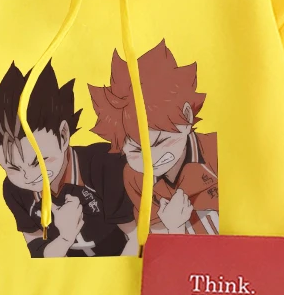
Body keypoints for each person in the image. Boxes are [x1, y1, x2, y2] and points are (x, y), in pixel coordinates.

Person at [0, 59, 138, 257]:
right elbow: (38, 253)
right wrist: (65, 238)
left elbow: (136, 238)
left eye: (39, 162)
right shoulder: (14, 190)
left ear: (63, 135)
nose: (28, 176)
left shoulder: (105, 165)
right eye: (13, 168)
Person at [88, 39, 219, 235]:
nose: (151, 158)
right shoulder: (134, 176)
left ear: (187, 116)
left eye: (160, 142)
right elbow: (155, 234)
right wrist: (174, 227)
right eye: (136, 149)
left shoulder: (214, 152)